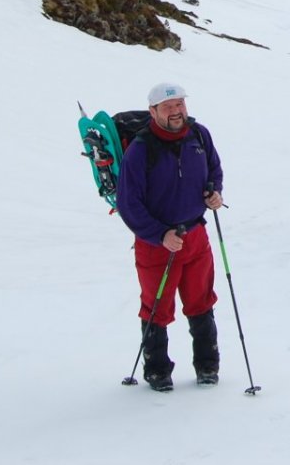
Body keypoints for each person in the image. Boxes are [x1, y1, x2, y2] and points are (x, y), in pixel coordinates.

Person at [114, 81, 225, 391]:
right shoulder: (140, 149)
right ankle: (157, 371)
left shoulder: (199, 135)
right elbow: (128, 203)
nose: (177, 111)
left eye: (180, 104)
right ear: (154, 112)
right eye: (169, 106)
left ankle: (208, 366)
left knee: (201, 300)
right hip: (156, 245)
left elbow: (214, 170)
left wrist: (214, 193)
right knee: (157, 307)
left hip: (195, 236)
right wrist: (158, 234)